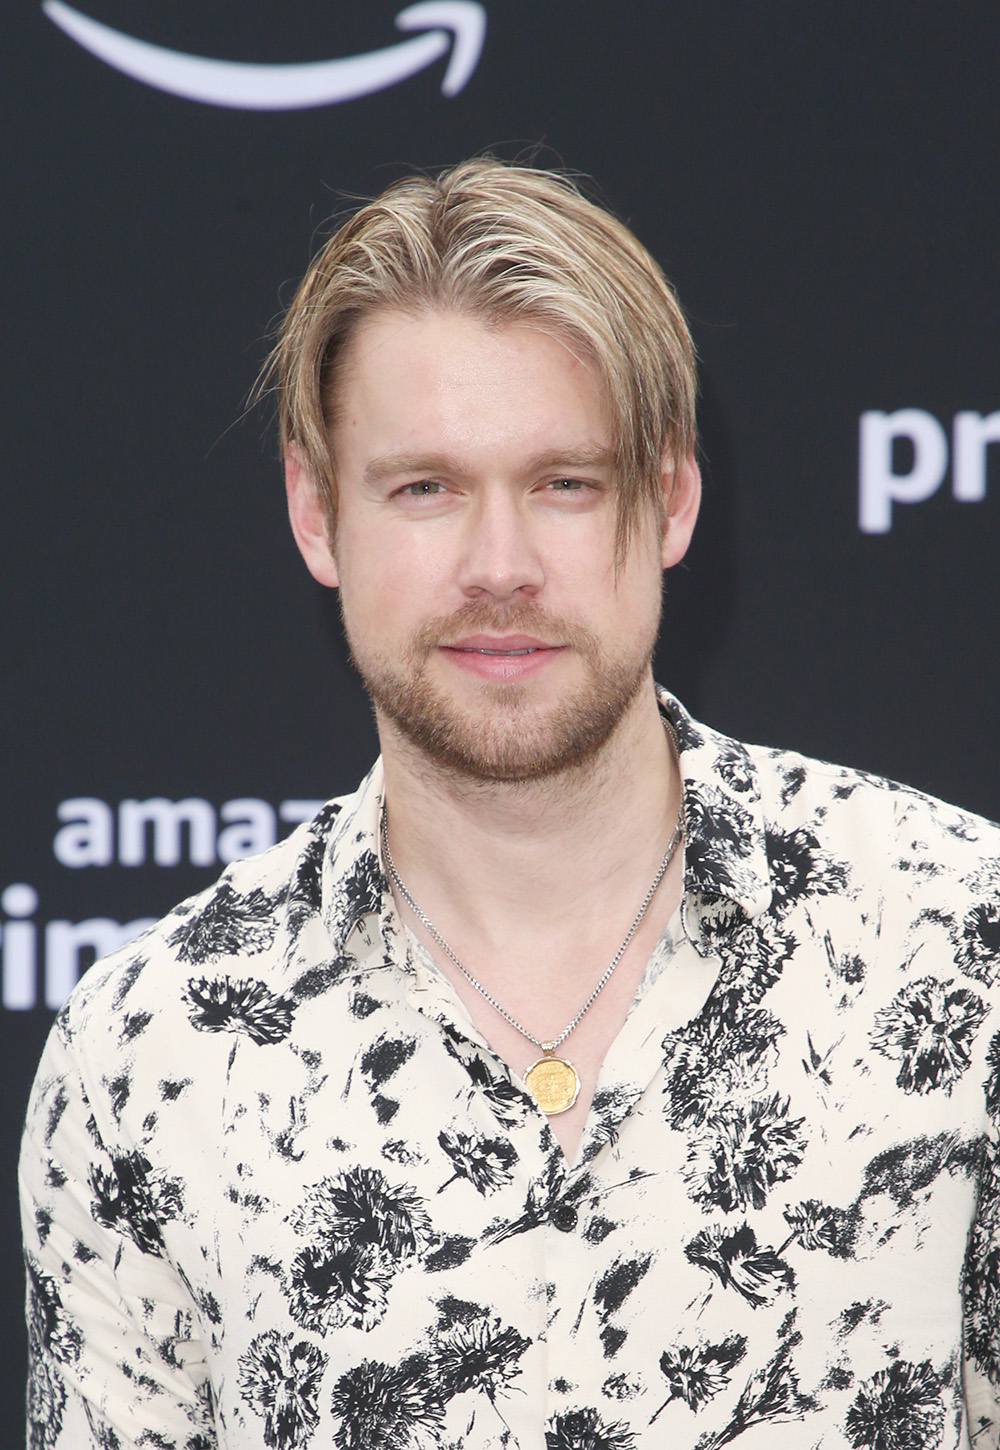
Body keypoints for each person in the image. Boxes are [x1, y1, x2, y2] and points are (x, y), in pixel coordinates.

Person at [19, 158, 1000, 1450]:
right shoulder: (150, 1055)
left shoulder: (961, 940)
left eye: (564, 484)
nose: (500, 567)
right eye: (424, 488)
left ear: (672, 499)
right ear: (319, 516)